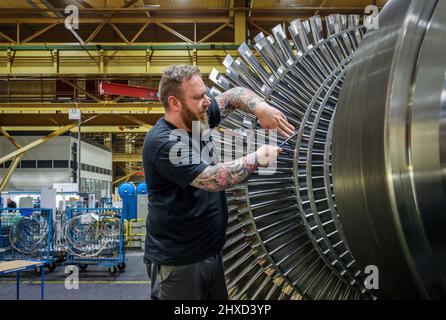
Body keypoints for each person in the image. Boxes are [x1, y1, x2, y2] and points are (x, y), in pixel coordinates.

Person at [142, 64, 295, 300]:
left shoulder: (197, 118)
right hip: (179, 262)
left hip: (209, 254)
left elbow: (233, 96)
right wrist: (257, 157)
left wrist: (261, 108)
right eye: (198, 97)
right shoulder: (163, 142)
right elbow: (212, 179)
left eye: (204, 93)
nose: (206, 101)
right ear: (174, 103)